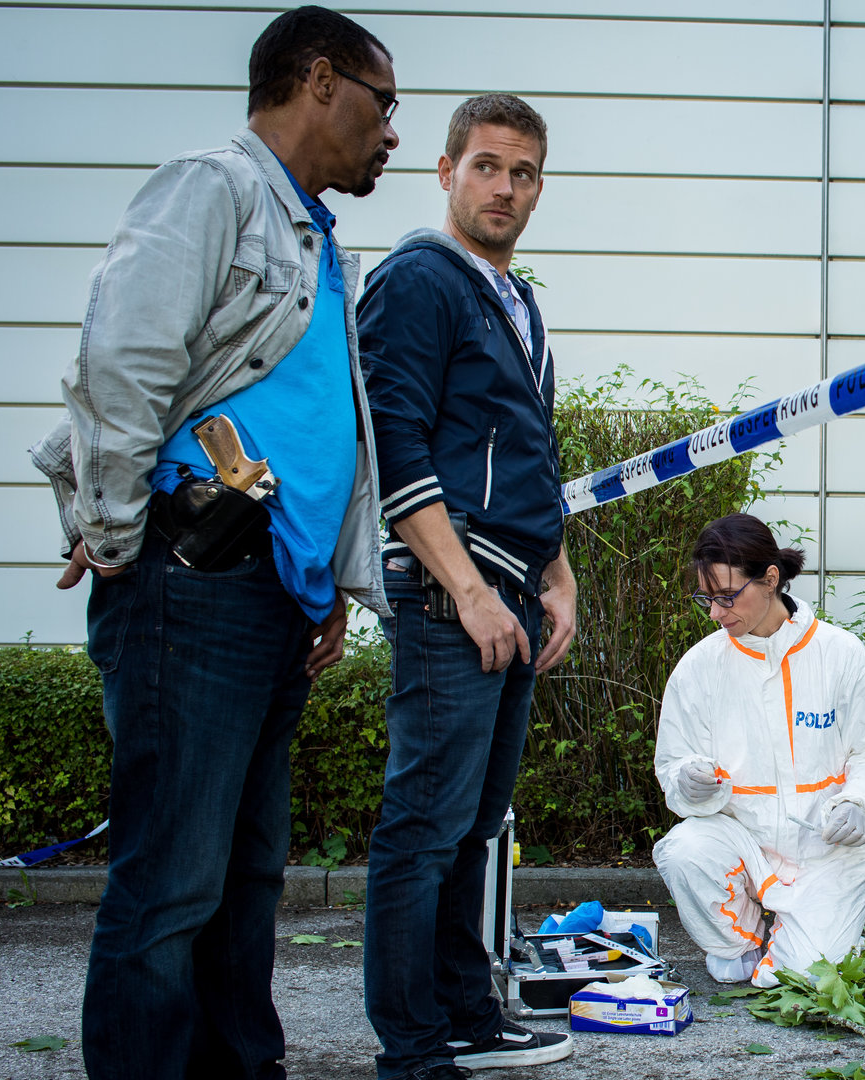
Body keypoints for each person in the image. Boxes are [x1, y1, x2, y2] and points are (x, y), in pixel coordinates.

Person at [25, 7, 398, 1077]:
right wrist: (115, 534)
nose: (390, 133)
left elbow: (322, 422)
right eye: (384, 102)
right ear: (320, 79)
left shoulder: (320, 238)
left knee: (246, 880)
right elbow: (121, 362)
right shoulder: (214, 188)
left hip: (271, 596)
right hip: (192, 584)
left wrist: (326, 579)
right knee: (175, 881)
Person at [356, 93, 578, 1078]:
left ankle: (465, 1015)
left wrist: (557, 573)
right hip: (454, 596)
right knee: (422, 825)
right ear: (445, 172)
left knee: (476, 824)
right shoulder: (418, 280)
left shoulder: (516, 299)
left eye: (522, 172)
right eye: (486, 165)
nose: (504, 187)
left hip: (516, 592)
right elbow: (393, 442)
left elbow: (533, 453)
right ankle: (411, 1049)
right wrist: (470, 590)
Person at [653, 513, 865, 988]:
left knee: (801, 980)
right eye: (706, 598)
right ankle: (742, 940)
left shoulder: (840, 654)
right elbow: (673, 762)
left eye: (727, 596)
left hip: (824, 849)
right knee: (685, 850)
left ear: (770, 579)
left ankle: (795, 938)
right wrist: (685, 777)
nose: (715, 613)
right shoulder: (700, 668)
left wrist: (860, 803)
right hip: (742, 844)